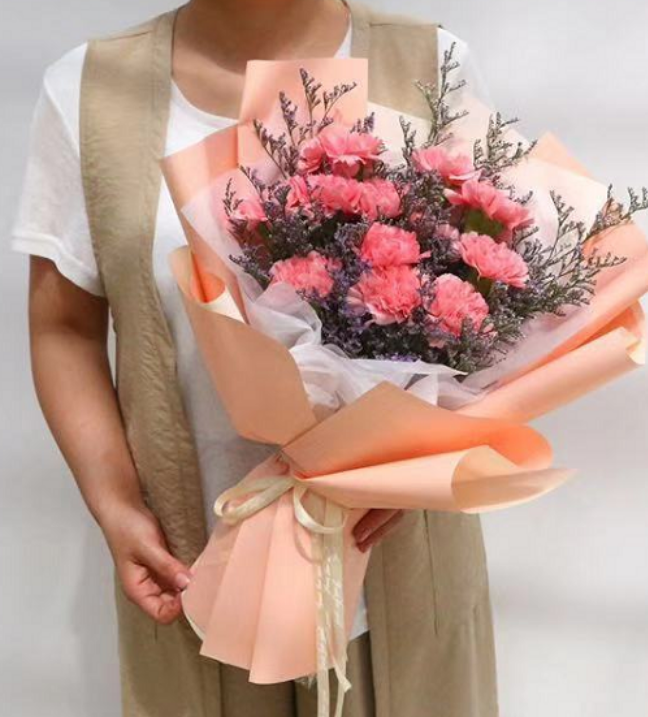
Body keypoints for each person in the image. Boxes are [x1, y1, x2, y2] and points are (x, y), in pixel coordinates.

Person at [12, 1, 498, 715]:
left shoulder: (428, 64)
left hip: (398, 568)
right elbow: (65, 327)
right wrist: (115, 504)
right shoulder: (90, 90)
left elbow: (490, 299)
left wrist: (414, 457)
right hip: (191, 573)